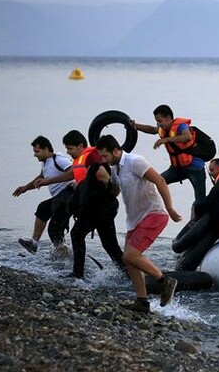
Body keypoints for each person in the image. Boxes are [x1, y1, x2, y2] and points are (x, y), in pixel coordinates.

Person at [96, 134, 182, 313]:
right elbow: (115, 191)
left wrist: (170, 208)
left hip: (154, 214)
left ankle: (165, 281)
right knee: (130, 262)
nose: (103, 160)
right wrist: (102, 184)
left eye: (105, 156)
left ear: (116, 150)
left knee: (129, 256)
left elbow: (160, 180)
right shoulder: (114, 169)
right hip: (135, 219)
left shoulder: (135, 161)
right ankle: (142, 302)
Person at [35, 130, 125, 279]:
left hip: (99, 206)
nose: (68, 152)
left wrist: (101, 194)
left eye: (70, 148)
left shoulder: (92, 155)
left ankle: (78, 275)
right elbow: (79, 176)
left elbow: (103, 174)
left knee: (77, 234)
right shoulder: (81, 160)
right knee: (110, 245)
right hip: (100, 207)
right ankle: (127, 275)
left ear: (80, 145)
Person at [132, 104, 206, 201]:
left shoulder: (181, 126)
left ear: (168, 118)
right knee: (157, 182)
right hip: (177, 168)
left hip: (195, 168)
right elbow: (152, 130)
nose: (158, 124)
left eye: (159, 121)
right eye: (156, 121)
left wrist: (166, 140)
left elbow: (187, 136)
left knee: (200, 202)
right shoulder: (163, 129)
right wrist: (135, 126)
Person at [14, 136, 73, 256]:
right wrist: (25, 188)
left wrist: (49, 181)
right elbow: (41, 177)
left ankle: (66, 256)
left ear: (46, 149)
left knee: (54, 229)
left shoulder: (60, 159)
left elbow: (74, 172)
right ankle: (34, 243)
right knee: (42, 209)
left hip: (69, 196)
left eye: (37, 151)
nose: (35, 155)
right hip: (58, 199)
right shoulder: (46, 163)